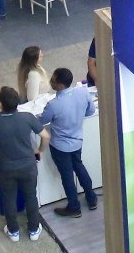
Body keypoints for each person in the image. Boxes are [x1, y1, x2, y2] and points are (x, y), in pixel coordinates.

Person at [0, 85, 45, 241]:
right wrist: (39, 150)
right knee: (31, 196)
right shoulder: (27, 118)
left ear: (0, 104)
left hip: (6, 168)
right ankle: (34, 230)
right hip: (28, 166)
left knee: (9, 198)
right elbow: (45, 135)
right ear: (17, 103)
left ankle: (13, 231)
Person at [38, 67, 97, 217]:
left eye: (53, 79)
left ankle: (74, 207)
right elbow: (90, 112)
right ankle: (91, 198)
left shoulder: (54, 105)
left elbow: (42, 121)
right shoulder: (83, 93)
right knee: (79, 166)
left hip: (60, 147)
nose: (51, 81)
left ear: (59, 85)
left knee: (67, 176)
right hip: (77, 141)